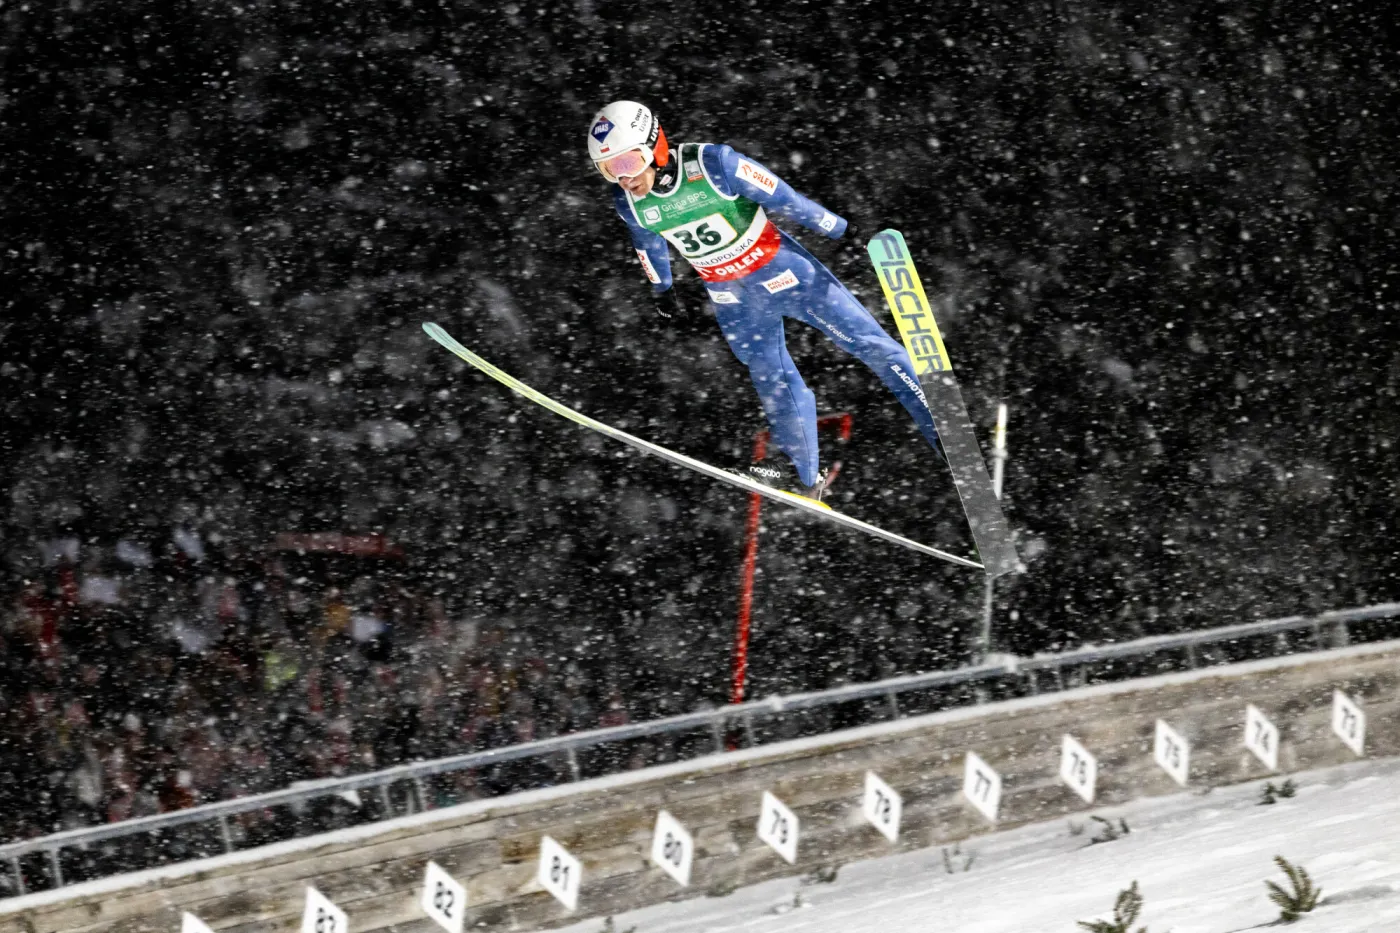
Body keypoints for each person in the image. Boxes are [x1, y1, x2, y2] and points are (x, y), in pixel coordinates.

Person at [587, 100, 942, 502]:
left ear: (655, 145)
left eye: (627, 163)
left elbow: (785, 198)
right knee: (771, 377)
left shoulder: (713, 163)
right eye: (608, 169)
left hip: (788, 275)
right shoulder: (628, 204)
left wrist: (843, 229)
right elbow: (647, 246)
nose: (624, 178)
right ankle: (805, 474)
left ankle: (940, 426)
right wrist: (663, 291)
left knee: (869, 344)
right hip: (732, 299)